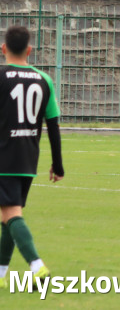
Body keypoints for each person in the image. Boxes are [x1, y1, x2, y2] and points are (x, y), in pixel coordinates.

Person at [0, 25, 64, 290]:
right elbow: (54, 124)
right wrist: (57, 164)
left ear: (3, 49)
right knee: (8, 216)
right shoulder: (44, 80)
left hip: (3, 156)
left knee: (11, 213)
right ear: (29, 50)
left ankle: (37, 267)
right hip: (28, 159)